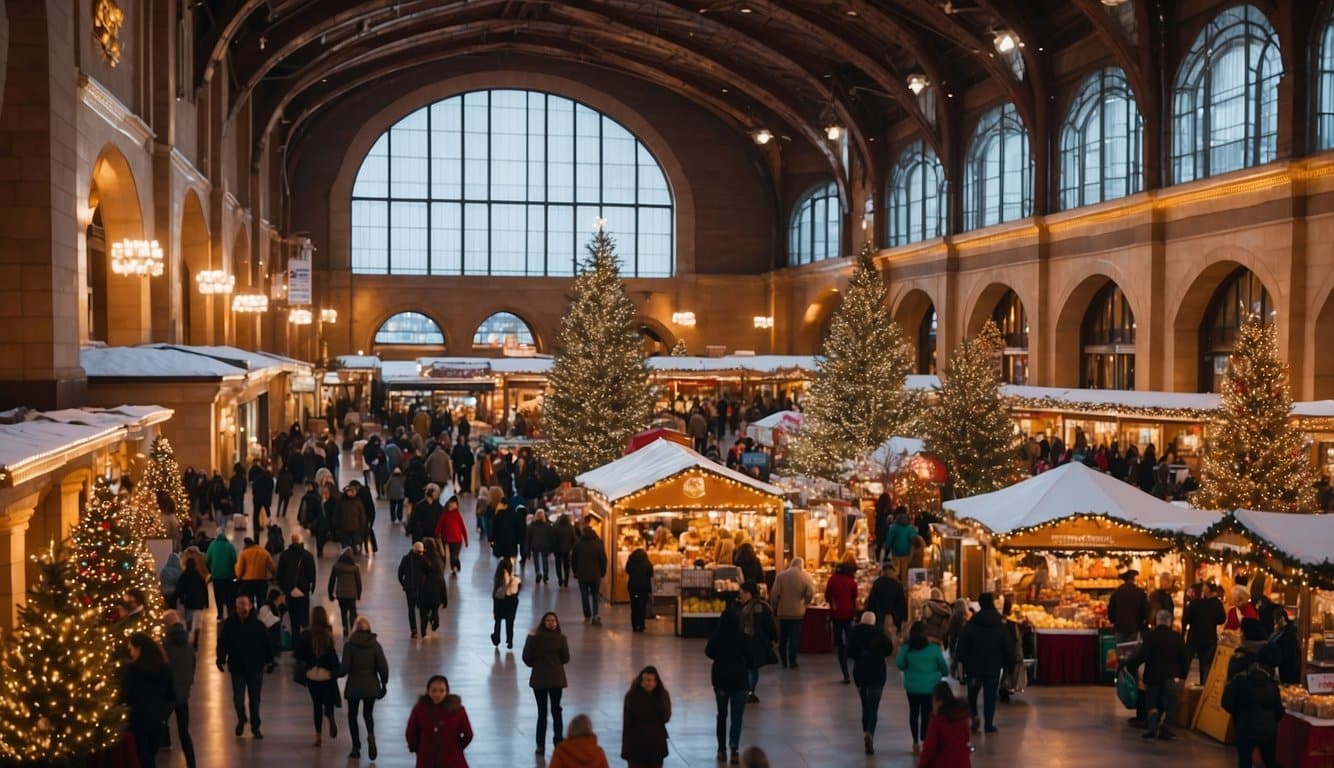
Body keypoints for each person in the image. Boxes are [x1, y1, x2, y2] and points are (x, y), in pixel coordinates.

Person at [955, 592, 1013, 734]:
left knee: (972, 694)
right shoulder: (1000, 624)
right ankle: (988, 724)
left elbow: (962, 644)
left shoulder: (972, 624)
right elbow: (1007, 646)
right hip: (993, 667)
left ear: (980, 604)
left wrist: (960, 660)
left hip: (973, 667)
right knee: (990, 697)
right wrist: (1008, 666)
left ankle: (974, 715)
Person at [217, 594, 273, 738]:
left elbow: (267, 643)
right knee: (238, 698)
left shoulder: (258, 625)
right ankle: (241, 718)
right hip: (237, 667)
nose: (243, 607)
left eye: (245, 604)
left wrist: (270, 660)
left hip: (255, 667)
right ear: (236, 608)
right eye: (240, 605)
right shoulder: (229, 624)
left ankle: (255, 726)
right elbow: (223, 642)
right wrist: (220, 658)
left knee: (255, 699)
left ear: (250, 606)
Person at [1128, 609, 1188, 740]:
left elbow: (1141, 656)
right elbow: (1184, 659)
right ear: (1170, 622)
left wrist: (1130, 666)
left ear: (1157, 621)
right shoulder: (1177, 637)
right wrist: (1183, 676)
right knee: (1171, 703)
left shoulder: (1150, 637)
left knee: (1152, 703)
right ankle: (1166, 727)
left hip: (1153, 676)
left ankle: (1152, 727)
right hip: (1172, 676)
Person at [1222, 644, 1284, 768]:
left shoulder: (1241, 679)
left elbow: (1226, 702)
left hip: (1245, 728)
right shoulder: (1273, 686)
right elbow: (1279, 712)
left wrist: (1238, 715)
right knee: (1269, 760)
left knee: (1245, 762)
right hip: (1268, 731)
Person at [121, 631, 174, 768]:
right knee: (150, 756)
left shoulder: (132, 670)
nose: (131, 653)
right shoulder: (164, 668)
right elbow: (171, 695)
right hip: (157, 721)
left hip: (137, 722)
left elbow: (125, 696)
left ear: (139, 649)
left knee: (143, 758)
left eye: (131, 649)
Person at [897, 620, 950, 755]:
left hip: (912, 687)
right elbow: (945, 669)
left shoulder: (906, 648)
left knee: (914, 713)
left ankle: (915, 742)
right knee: (927, 714)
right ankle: (925, 740)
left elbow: (900, 664)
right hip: (930, 687)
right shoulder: (934, 649)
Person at [341, 615, 390, 760]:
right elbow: (382, 666)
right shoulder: (375, 645)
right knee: (368, 714)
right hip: (371, 686)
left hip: (354, 686)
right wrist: (384, 683)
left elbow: (344, 668)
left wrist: (333, 674)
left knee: (352, 716)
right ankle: (370, 734)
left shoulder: (349, 646)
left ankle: (356, 747)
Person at [706, 608, 751, 764]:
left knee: (722, 715)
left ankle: (721, 750)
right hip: (740, 682)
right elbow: (750, 657)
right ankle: (734, 749)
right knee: (737, 717)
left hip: (721, 681)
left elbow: (709, 652)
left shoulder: (716, 637)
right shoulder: (742, 638)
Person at [523, 611, 571, 755]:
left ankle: (540, 744)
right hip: (556, 679)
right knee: (556, 711)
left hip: (539, 680)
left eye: (553, 620)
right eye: (549, 620)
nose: (551, 623)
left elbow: (526, 657)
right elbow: (566, 658)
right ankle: (558, 741)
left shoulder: (534, 638)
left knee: (542, 713)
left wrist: (537, 664)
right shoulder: (561, 638)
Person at [294, 605, 341, 747]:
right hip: (326, 674)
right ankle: (330, 715)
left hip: (312, 674)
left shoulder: (306, 634)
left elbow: (299, 654)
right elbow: (332, 653)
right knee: (329, 699)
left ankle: (318, 736)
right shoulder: (328, 632)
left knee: (316, 705)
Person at [848, 611, 894, 755]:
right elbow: (889, 650)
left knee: (864, 705)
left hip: (860, 673)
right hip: (877, 673)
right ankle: (870, 733)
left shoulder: (854, 633)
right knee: (874, 707)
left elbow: (849, 652)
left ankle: (864, 732)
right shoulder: (879, 634)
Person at [405, 674, 473, 768]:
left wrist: (418, 749)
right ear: (428, 691)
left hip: (439, 759)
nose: (437, 694)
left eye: (441, 691)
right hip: (442, 759)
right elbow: (411, 732)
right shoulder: (419, 709)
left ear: (447, 691)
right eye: (434, 690)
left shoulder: (420, 709)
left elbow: (468, 734)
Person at [161, 613, 197, 768]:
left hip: (169, 694)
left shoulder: (165, 644)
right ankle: (191, 763)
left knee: (158, 724)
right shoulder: (188, 644)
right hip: (183, 694)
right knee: (184, 732)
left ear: (167, 624)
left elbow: (162, 669)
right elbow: (193, 665)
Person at [621, 666, 671, 768]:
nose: (647, 683)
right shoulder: (632, 696)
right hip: (636, 746)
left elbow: (666, 717)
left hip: (655, 746)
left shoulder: (662, 695)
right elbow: (628, 722)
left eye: (649, 680)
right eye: (644, 680)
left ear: (656, 682)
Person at [769, 557, 814, 668]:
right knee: (794, 638)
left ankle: (783, 659)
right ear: (801, 565)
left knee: (783, 638)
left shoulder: (781, 576)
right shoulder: (806, 576)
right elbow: (810, 593)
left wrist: (774, 606)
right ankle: (792, 660)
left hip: (783, 612)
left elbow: (774, 594)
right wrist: (805, 603)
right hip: (797, 612)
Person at [919, 680, 972, 768]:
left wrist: (922, 765)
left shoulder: (938, 721)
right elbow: (966, 740)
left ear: (938, 701)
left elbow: (929, 749)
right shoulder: (962, 716)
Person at [825, 555, 859, 683]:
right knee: (849, 634)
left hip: (836, 613)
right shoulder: (852, 582)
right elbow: (854, 597)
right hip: (849, 613)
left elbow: (827, 595)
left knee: (839, 640)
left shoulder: (832, 580)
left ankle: (845, 671)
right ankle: (851, 651)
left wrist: (832, 602)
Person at [1183, 582, 1226, 684]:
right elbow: (1222, 619)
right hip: (1209, 637)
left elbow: (1186, 619)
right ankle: (1204, 688)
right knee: (1205, 665)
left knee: (1186, 663)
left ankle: (1180, 683)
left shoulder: (1194, 604)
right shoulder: (1217, 604)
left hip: (1194, 637)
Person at [276, 531, 317, 637]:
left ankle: (295, 640)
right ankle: (304, 640)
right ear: (301, 542)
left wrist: (283, 588)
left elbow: (279, 574)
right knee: (304, 617)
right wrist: (311, 587)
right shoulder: (307, 555)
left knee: (293, 618)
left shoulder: (284, 555)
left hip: (290, 590)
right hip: (303, 590)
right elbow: (312, 573)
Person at [862, 563, 908, 641]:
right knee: (891, 637)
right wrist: (904, 617)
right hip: (893, 616)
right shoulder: (897, 585)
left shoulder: (878, 583)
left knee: (879, 635)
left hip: (879, 614)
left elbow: (872, 599)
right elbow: (901, 603)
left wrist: (869, 611)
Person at [572, 525, 607, 625]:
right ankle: (595, 614)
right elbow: (603, 559)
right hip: (595, 574)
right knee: (595, 595)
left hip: (582, 574)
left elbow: (573, 559)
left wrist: (575, 571)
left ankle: (587, 615)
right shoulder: (599, 543)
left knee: (584, 595)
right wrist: (603, 571)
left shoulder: (578, 544)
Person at [399, 541, 432, 639]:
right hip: (420, 588)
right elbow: (430, 569)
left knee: (411, 610)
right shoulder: (422, 560)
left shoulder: (406, 559)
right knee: (422, 610)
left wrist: (404, 584)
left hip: (409, 589)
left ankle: (414, 631)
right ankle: (423, 631)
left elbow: (400, 573)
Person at [1108, 569, 1149, 643]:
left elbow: (1111, 612)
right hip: (1134, 628)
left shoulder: (1116, 592)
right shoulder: (1140, 592)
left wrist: (1114, 621)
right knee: (1132, 650)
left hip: (1119, 628)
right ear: (1133, 579)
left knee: (1121, 650)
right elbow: (1145, 612)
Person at [328, 547, 363, 635]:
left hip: (341, 594)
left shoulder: (336, 566)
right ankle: (353, 629)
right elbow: (359, 582)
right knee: (352, 612)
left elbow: (331, 581)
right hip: (352, 594)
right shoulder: (355, 568)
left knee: (343, 612)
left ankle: (345, 629)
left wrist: (330, 593)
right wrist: (359, 594)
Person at [174, 555, 208, 642]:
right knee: (198, 621)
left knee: (189, 619)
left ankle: (189, 634)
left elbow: (179, 589)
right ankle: (196, 636)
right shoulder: (199, 576)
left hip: (188, 602)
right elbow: (205, 590)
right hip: (199, 602)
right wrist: (206, 603)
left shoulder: (184, 576)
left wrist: (181, 599)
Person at [234, 537, 276, 607]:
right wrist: (274, 576)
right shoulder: (264, 552)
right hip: (262, 580)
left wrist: (238, 577)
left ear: (246, 544)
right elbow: (272, 567)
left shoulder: (244, 553)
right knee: (262, 600)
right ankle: (261, 614)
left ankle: (251, 615)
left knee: (249, 600)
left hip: (247, 581)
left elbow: (239, 569)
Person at [205, 532, 238, 621]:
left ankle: (220, 615)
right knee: (229, 596)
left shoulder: (212, 545)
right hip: (228, 576)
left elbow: (207, 560)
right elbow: (235, 559)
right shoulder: (230, 546)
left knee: (218, 596)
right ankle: (230, 614)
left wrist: (211, 571)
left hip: (216, 576)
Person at [420, 538, 449, 634]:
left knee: (424, 612)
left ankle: (423, 630)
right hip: (436, 591)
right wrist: (445, 599)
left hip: (424, 591)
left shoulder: (422, 558)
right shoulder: (438, 560)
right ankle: (435, 623)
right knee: (435, 610)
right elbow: (442, 580)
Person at [492, 557, 521, 648]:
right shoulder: (515, 578)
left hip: (500, 599)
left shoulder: (498, 576)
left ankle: (496, 638)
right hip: (512, 600)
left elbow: (496, 590)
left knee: (498, 620)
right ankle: (510, 640)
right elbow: (518, 589)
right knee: (510, 621)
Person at [435, 495, 469, 574]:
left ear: (456, 505)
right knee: (450, 555)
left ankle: (456, 564)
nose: (451, 505)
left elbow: (463, 527)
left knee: (454, 555)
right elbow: (439, 525)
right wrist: (437, 533)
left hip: (457, 539)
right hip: (447, 538)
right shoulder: (445, 515)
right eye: (450, 503)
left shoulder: (457, 515)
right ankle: (453, 568)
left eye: (454, 504)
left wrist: (466, 540)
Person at [1268, 608, 1302, 684]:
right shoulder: (1281, 631)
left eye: (1276, 619)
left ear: (1282, 618)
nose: (1275, 622)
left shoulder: (1288, 633)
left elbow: (1289, 653)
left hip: (1287, 667)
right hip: (1283, 666)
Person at [625, 547, 654, 633]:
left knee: (634, 605)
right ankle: (641, 624)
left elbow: (627, 570)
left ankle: (634, 625)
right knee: (642, 605)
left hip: (633, 587)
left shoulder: (631, 561)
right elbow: (650, 573)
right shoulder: (647, 562)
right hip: (644, 588)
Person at [887, 510, 917, 580]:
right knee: (904, 573)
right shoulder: (910, 528)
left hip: (896, 553)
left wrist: (886, 547)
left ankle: (895, 586)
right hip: (907, 554)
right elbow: (914, 540)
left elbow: (889, 539)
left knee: (895, 572)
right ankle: (904, 588)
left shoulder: (894, 527)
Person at [527, 509, 554, 584]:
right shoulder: (547, 525)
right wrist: (551, 548)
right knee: (545, 560)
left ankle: (538, 572)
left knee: (536, 560)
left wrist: (528, 550)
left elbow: (528, 538)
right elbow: (551, 536)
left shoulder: (532, 525)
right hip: (545, 545)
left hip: (535, 545)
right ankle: (545, 575)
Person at [551, 513, 578, 587]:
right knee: (566, 565)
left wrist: (553, 547)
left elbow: (552, 538)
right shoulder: (570, 527)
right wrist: (571, 547)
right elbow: (574, 538)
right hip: (567, 549)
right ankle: (566, 580)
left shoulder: (555, 527)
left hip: (557, 549)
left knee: (558, 564)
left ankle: (560, 578)